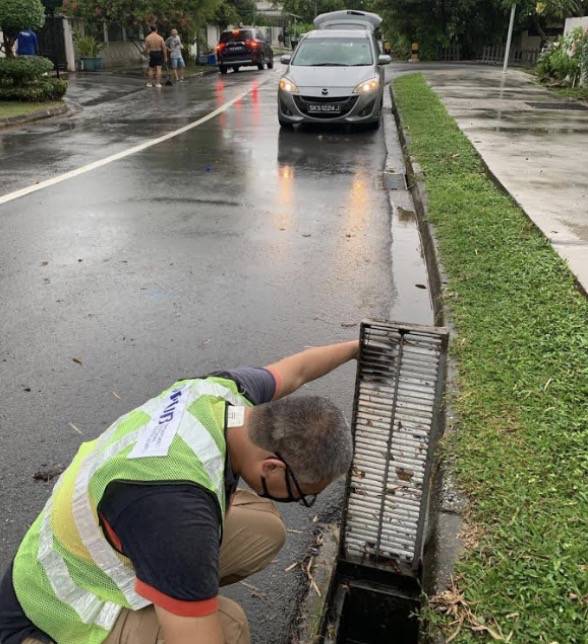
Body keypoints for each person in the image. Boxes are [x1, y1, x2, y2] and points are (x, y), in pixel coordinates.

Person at [0, 339, 358, 644]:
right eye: (302, 492)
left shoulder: (227, 398)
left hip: (115, 533)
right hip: (56, 606)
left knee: (266, 530)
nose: (299, 500)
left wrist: (356, 348)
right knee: (228, 626)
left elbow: (297, 371)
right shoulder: (179, 515)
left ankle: (171, 591)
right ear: (272, 468)